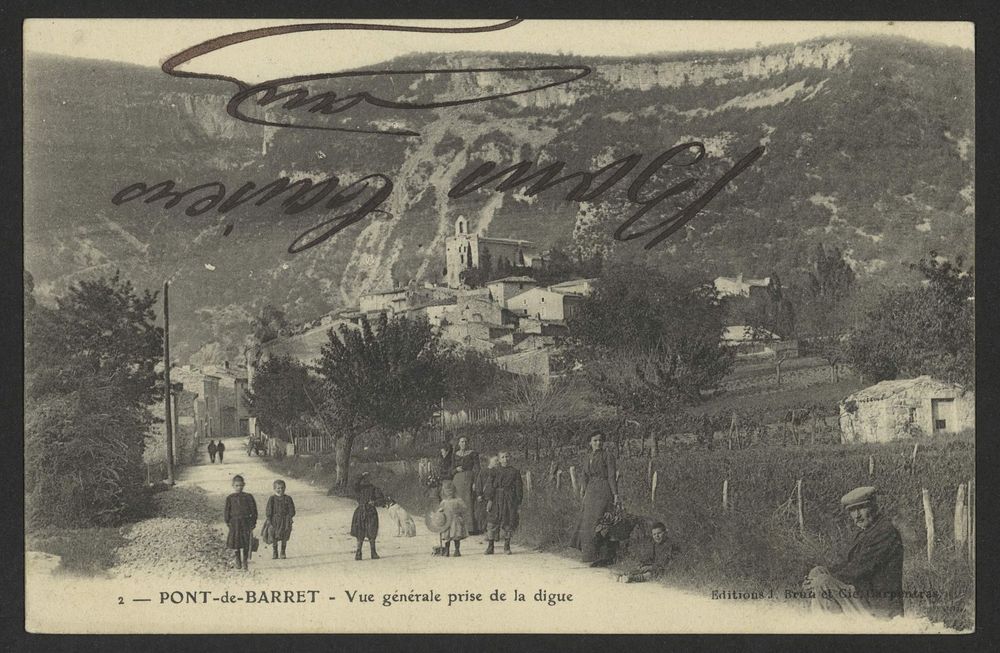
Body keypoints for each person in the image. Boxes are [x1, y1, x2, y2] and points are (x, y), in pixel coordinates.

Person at [803, 486, 904, 619]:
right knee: (818, 572)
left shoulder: (885, 532)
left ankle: (825, 627)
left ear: (874, 506)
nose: (857, 515)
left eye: (861, 508)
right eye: (852, 510)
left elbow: (860, 568)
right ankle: (825, 622)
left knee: (823, 582)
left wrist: (824, 578)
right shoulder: (865, 532)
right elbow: (848, 564)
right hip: (863, 597)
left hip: (880, 607)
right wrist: (819, 576)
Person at [571, 432, 620, 567]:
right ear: (590, 442)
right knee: (587, 523)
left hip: (604, 490)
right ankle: (589, 555)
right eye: (595, 440)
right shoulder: (588, 457)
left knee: (601, 521)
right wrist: (583, 489)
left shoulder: (608, 456)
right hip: (591, 492)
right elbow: (584, 475)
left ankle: (604, 556)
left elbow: (611, 476)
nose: (598, 443)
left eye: (600, 440)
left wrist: (615, 494)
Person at [483, 451, 523, 555]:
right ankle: (490, 546)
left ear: (510, 458)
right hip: (496, 498)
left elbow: (519, 488)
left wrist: (518, 502)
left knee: (508, 522)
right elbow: (490, 486)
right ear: (499, 459)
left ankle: (507, 546)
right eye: (503, 457)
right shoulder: (494, 471)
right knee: (492, 522)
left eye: (507, 457)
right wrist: (490, 500)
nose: (505, 459)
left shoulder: (514, 472)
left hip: (509, 499)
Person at [350, 472, 388, 561]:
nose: (366, 480)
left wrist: (375, 502)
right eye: (365, 479)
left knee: (372, 532)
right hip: (361, 511)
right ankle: (358, 553)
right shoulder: (359, 488)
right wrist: (361, 475)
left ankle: (373, 552)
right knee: (360, 532)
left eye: (368, 478)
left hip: (371, 512)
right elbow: (354, 485)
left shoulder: (375, 489)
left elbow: (382, 500)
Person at [224, 474, 258, 570]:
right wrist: (228, 522)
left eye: (241, 485)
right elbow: (227, 511)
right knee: (236, 543)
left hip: (245, 522)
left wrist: (253, 522)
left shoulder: (248, 497)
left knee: (246, 542)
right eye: (236, 485)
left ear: (244, 485)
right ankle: (238, 560)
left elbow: (254, 510)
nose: (239, 487)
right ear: (233, 486)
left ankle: (245, 561)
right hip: (235, 523)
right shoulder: (230, 498)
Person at [451, 436, 481, 535]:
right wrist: (456, 470)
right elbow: (451, 469)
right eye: (461, 441)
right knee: (458, 503)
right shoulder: (455, 454)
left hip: (469, 478)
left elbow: (477, 469)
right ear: (458, 443)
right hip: (457, 480)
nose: (463, 443)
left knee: (469, 502)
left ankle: (471, 528)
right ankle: (458, 528)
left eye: (465, 441)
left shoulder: (472, 453)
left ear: (468, 443)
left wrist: (475, 482)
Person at [436, 481, 469, 556]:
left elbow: (440, 510)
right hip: (454, 520)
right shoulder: (457, 501)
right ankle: (455, 550)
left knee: (449, 536)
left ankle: (448, 551)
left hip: (449, 521)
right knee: (455, 536)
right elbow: (464, 508)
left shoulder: (444, 502)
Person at [265, 479, 296, 560]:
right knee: (274, 535)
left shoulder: (288, 498)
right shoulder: (272, 499)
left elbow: (292, 510)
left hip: (285, 520)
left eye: (282, 488)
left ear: (285, 488)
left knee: (284, 536)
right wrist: (269, 518)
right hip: (275, 520)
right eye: (278, 488)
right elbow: (268, 510)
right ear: (274, 489)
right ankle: (275, 551)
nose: (280, 490)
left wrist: (289, 516)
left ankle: (283, 551)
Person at [475, 455, 498, 538]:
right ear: (490, 461)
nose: (497, 462)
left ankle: (494, 534)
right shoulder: (483, 471)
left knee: (493, 516)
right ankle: (486, 533)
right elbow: (479, 483)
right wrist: (479, 494)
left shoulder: (497, 472)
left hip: (494, 498)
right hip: (484, 497)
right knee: (484, 515)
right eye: (495, 461)